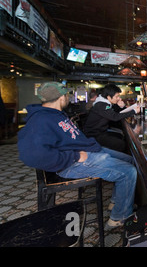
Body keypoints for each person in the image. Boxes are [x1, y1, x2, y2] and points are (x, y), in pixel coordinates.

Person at [17, 82, 137, 227]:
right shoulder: (40, 119)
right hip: (73, 163)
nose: (68, 97)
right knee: (128, 172)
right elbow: (31, 155)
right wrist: (75, 156)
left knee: (130, 160)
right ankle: (119, 217)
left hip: (89, 150)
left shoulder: (55, 114)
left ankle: (117, 202)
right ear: (62, 97)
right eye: (67, 95)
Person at [83, 84, 139, 152]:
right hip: (93, 135)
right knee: (121, 143)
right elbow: (114, 117)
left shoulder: (105, 103)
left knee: (120, 136)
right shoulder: (101, 105)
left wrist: (120, 107)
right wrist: (134, 111)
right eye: (117, 96)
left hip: (101, 132)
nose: (119, 98)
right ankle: (122, 159)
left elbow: (114, 113)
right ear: (109, 97)